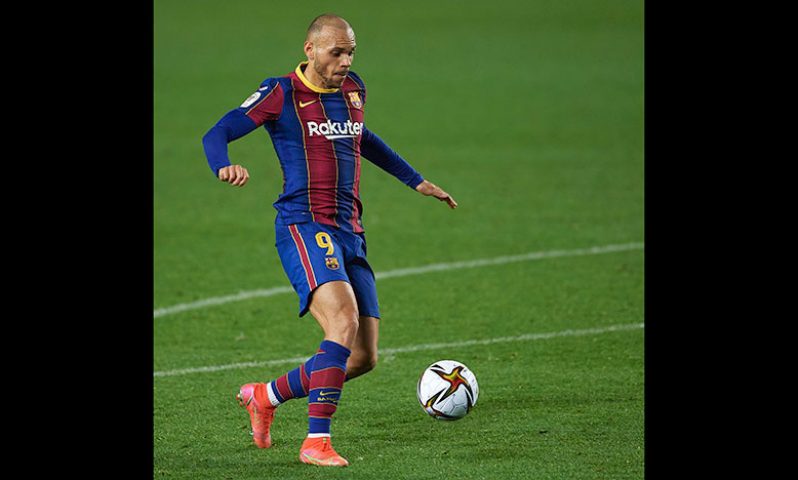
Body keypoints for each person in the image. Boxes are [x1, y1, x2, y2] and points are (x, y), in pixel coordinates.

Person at [202, 13, 457, 467]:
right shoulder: (281, 93)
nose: (344, 61)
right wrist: (223, 163)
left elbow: (363, 138)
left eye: (350, 52)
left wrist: (415, 181)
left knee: (361, 359)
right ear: (310, 50)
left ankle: (264, 395)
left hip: (350, 231)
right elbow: (218, 130)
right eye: (336, 52)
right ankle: (315, 442)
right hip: (304, 224)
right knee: (342, 324)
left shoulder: (353, 89)